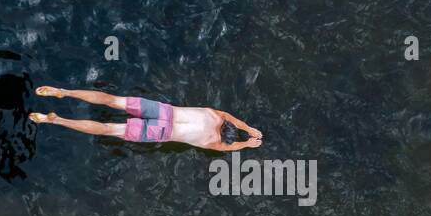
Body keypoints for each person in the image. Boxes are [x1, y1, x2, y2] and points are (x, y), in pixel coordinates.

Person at [30, 86, 262, 151]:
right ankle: (56, 120)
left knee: (112, 100)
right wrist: (247, 144)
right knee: (107, 129)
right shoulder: (213, 142)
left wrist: (249, 128)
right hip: (161, 133)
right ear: (224, 138)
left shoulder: (215, 115)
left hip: (164, 112)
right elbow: (228, 149)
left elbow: (231, 118)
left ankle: (65, 92)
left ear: (226, 124)